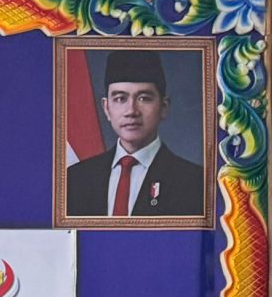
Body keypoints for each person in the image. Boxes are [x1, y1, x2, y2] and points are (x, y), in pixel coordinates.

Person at [63, 50, 202, 220]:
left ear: (164, 107)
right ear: (106, 108)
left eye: (144, 98)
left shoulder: (195, 182)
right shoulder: (75, 178)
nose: (131, 111)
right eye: (120, 98)